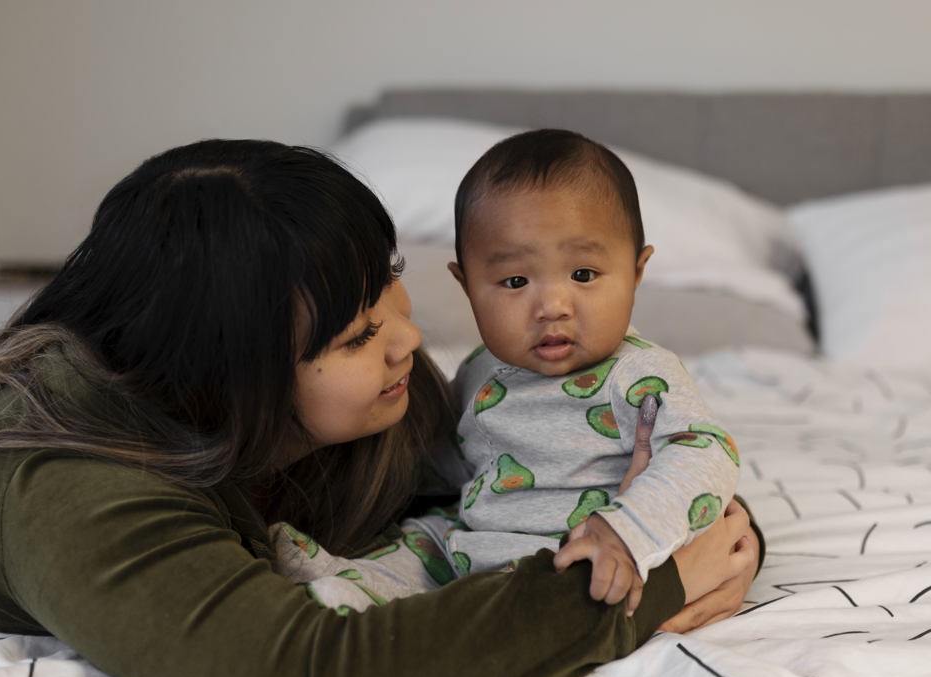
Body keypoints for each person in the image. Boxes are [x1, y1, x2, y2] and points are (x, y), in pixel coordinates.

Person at [0, 139, 761, 677]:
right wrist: (651, 583)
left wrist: (671, 512)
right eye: (356, 335)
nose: (406, 339)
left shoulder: (382, 393)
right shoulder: (74, 488)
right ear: (232, 375)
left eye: (391, 288)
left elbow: (539, 476)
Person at [275, 129, 746, 620]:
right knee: (422, 541)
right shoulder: (481, 369)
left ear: (636, 271)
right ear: (467, 286)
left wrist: (628, 531)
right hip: (474, 542)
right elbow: (445, 459)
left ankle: (394, 603)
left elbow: (706, 453)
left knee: (480, 575)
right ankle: (344, 585)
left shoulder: (638, 375)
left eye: (583, 275)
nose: (552, 307)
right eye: (515, 281)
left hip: (569, 555)